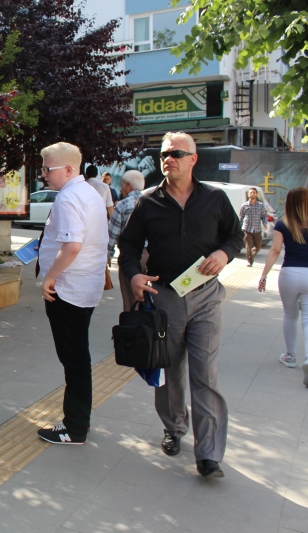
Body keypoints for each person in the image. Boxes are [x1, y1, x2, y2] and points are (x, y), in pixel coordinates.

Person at [119, 132, 243, 478]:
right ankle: (174, 428)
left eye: (176, 153)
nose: (168, 158)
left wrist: (224, 253)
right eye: (164, 153)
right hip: (165, 298)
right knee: (170, 371)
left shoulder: (215, 199)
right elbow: (127, 246)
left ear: (193, 159)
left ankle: (209, 453)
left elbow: (234, 236)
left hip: (205, 296)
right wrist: (133, 275)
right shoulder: (147, 201)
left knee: (205, 374)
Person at [35, 143, 109, 445]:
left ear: (68, 169)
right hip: (84, 288)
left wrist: (49, 277)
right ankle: (80, 420)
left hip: (67, 290)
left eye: (47, 169)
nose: (43, 175)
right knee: (78, 356)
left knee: (74, 359)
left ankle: (75, 427)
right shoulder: (89, 192)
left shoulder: (68, 198)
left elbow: (72, 246)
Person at [258, 187, 308, 381]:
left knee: (290, 315)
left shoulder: (282, 225)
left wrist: (264, 275)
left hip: (289, 274)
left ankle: (290, 355)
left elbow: (275, 251)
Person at [107, 170, 146, 312]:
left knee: (131, 299)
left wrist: (108, 255)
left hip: (129, 258)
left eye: (122, 185)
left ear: (129, 186)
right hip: (152, 256)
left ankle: (133, 329)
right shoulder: (153, 203)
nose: (121, 188)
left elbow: (113, 234)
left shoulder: (123, 205)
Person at [239, 187, 269, 267]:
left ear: (256, 194)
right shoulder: (244, 206)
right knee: (248, 246)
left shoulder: (260, 206)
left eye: (254, 192)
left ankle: (251, 255)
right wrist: (238, 227)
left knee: (258, 246)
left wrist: (265, 224)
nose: (252, 194)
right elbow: (241, 217)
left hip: (257, 229)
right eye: (251, 192)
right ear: (248, 194)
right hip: (247, 229)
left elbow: (264, 216)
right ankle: (250, 261)